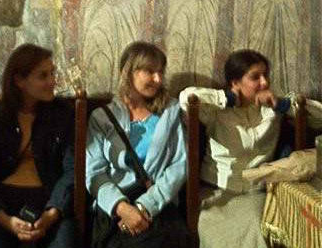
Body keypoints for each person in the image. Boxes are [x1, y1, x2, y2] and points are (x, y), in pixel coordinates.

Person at [179, 49, 322, 248]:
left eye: (266, 75)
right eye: (255, 77)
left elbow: (318, 117)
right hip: (217, 192)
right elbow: (186, 97)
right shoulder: (217, 111)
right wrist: (229, 98)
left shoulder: (272, 109)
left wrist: (282, 105)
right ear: (235, 82)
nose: (264, 82)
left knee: (258, 228)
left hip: (257, 192)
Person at [86, 41, 188, 248]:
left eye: (161, 72)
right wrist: (122, 208)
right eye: (150, 71)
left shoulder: (170, 112)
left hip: (158, 207)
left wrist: (145, 207)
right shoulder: (102, 117)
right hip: (114, 209)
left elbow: (179, 166)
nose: (158, 79)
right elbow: (94, 173)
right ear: (128, 71)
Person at [0, 43, 76, 248]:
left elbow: (72, 170)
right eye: (43, 76)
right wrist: (5, 219)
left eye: (52, 73)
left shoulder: (63, 115)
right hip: (3, 205)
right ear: (19, 81)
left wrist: (52, 214)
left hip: (49, 201)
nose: (52, 81)